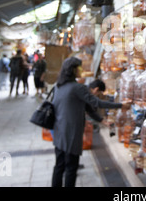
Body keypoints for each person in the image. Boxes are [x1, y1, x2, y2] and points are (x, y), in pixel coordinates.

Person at [51, 57, 131, 187]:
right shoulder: (77, 87)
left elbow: (87, 108)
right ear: (73, 70)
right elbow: (97, 103)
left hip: (59, 130)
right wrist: (121, 105)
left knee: (59, 166)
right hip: (70, 133)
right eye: (79, 67)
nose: (82, 70)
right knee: (71, 167)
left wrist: (101, 120)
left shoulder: (59, 86)